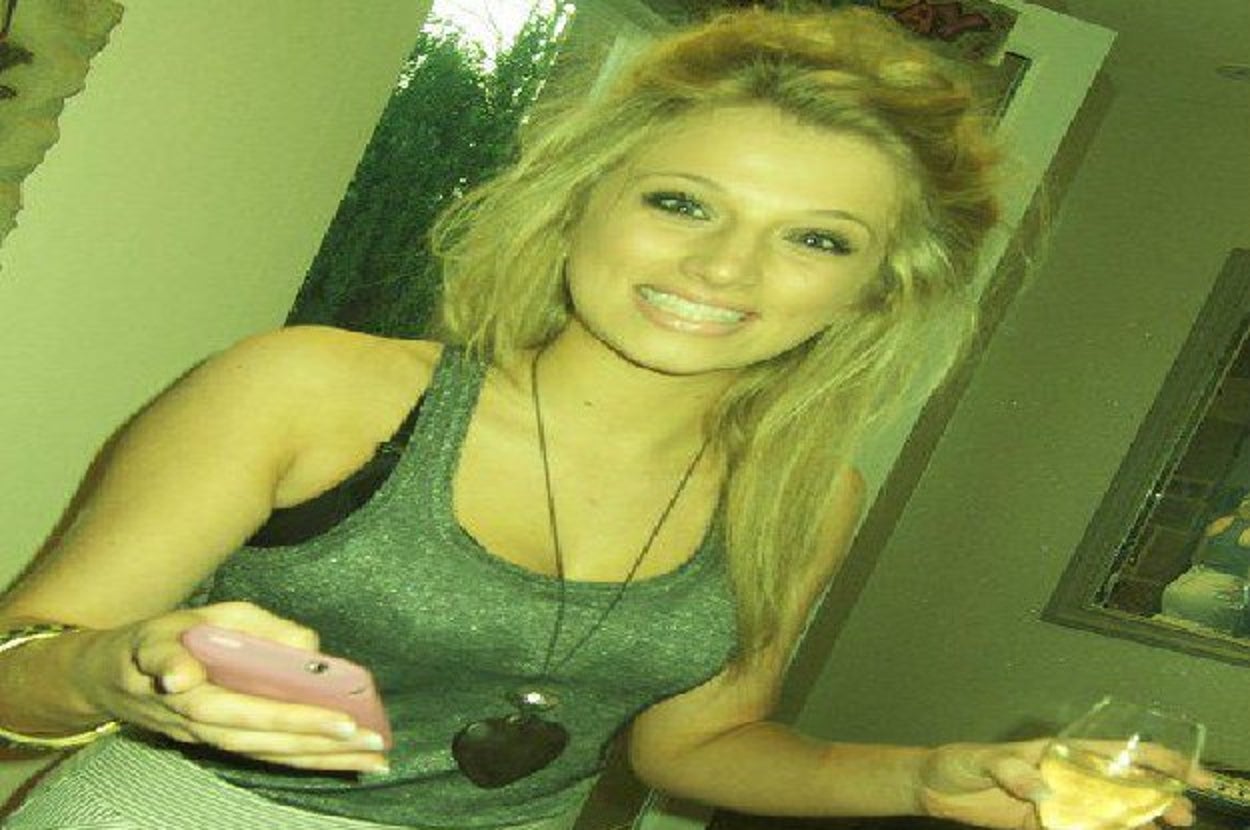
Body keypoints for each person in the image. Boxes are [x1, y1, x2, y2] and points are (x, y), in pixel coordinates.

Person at [0, 6, 1206, 830]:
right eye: (681, 202)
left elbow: (693, 743)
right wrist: (110, 670)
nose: (724, 267)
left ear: (875, 287)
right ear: (582, 200)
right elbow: (15, 675)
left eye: (814, 238)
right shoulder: (313, 388)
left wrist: (925, 775)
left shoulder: (800, 492)